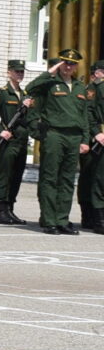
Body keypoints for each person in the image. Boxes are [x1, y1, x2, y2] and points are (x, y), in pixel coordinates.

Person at [25, 48, 87, 235]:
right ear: (60, 64)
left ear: (76, 66)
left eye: (72, 63)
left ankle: (62, 219)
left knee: (67, 180)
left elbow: (83, 115)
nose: (68, 67)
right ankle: (49, 220)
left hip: (74, 136)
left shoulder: (79, 87)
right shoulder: (50, 84)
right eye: (65, 63)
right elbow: (30, 88)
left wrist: (85, 140)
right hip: (54, 134)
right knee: (50, 177)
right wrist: (51, 71)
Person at [0, 60, 32, 226]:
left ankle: (10, 209)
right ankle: (1, 211)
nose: (19, 74)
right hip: (8, 140)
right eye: (16, 72)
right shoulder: (3, 93)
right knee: (5, 175)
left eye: (21, 72)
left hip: (22, 140)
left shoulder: (25, 94)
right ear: (9, 72)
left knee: (17, 175)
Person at [84, 60, 104, 233]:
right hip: (100, 139)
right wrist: (96, 132)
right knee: (99, 179)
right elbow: (88, 113)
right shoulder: (94, 88)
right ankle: (98, 220)